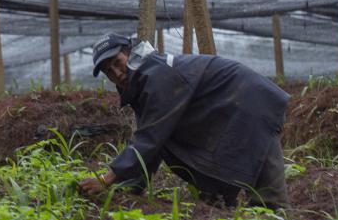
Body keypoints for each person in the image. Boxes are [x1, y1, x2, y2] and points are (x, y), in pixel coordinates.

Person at [78, 33, 289, 209]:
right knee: (174, 144)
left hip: (250, 103)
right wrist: (127, 190)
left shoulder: (157, 75)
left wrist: (107, 180)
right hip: (226, 112)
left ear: (130, 54)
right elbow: (152, 149)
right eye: (109, 71)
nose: (116, 73)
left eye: (117, 63)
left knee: (269, 199)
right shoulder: (143, 82)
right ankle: (219, 199)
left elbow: (150, 137)